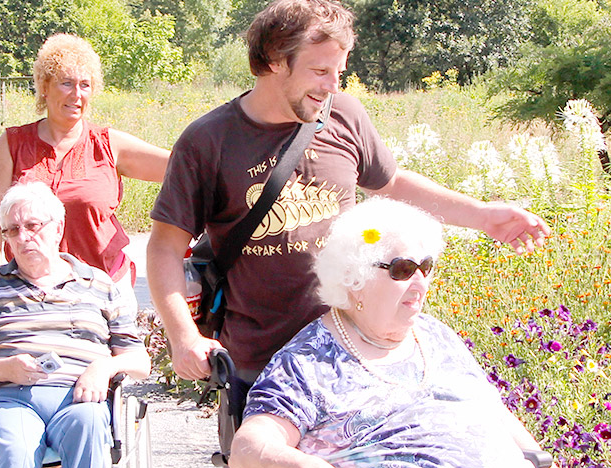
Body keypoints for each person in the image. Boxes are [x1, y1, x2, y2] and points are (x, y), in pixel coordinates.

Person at [147, 0, 550, 385]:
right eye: (320, 70)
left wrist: (482, 216)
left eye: (339, 71)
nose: (332, 86)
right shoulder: (208, 141)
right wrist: (183, 335)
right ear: (273, 61)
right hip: (260, 361)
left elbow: (390, 183)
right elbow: (165, 247)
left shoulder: (344, 113)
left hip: (352, 349)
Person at [230, 199, 584, 468]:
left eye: (426, 267)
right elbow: (249, 450)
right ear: (355, 278)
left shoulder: (436, 335)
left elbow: (489, 410)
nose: (420, 281)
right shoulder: (310, 360)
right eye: (402, 269)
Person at [0, 182, 150, 468]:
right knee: (15, 448)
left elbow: (139, 361)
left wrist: (104, 367)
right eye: (12, 230)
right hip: (9, 398)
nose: (23, 237)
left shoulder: (98, 284)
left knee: (90, 426)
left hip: (79, 398)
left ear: (58, 229)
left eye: (32, 226)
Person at [0, 33, 169, 285]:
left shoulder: (108, 144)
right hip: (29, 287)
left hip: (104, 286)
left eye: (85, 85)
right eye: (66, 83)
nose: (76, 94)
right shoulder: (13, 143)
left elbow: (184, 170)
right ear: (44, 87)